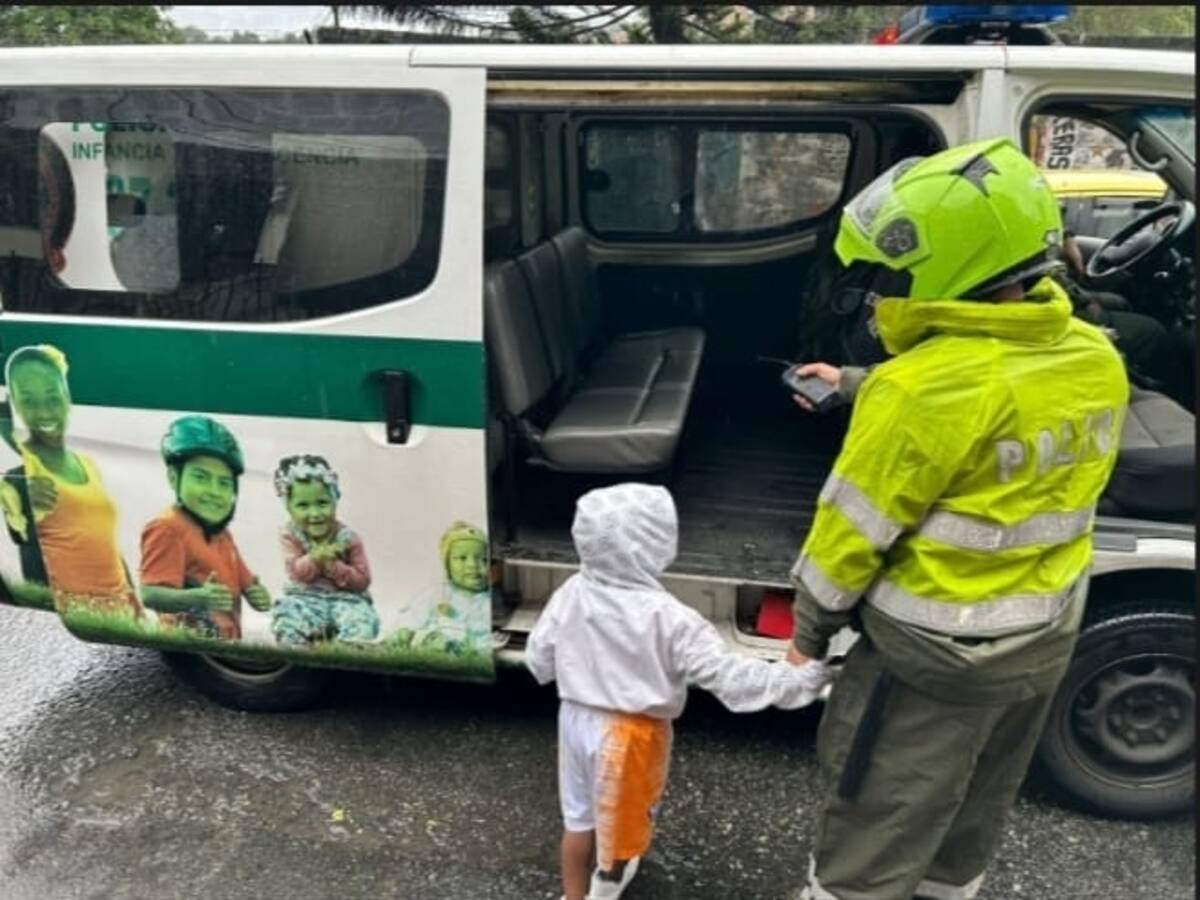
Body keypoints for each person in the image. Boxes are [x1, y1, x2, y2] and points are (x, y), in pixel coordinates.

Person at [785, 138, 1128, 900]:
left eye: (897, 272)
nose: (885, 288)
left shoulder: (915, 394)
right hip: (1041, 641)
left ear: (951, 265)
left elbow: (849, 538)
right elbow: (994, 389)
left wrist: (808, 636)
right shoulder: (1095, 356)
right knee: (971, 817)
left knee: (873, 822)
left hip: (931, 659)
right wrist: (856, 384)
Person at [525, 483, 833, 900]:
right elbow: (728, 676)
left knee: (578, 821)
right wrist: (801, 679)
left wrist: (558, 671)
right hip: (631, 734)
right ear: (654, 545)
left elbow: (539, 654)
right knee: (622, 821)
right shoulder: (671, 618)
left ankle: (573, 896)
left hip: (574, 719)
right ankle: (607, 884)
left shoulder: (573, 591)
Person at [1, 344, 143, 617]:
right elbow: (29, 555)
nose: (43, 412)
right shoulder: (23, 479)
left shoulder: (87, 464)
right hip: (84, 612)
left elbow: (106, 543)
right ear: (15, 406)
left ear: (68, 399)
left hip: (123, 611)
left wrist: (135, 606)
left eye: (53, 398)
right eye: (28, 401)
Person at [139, 414, 271, 639]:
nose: (214, 491)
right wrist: (198, 598)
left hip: (224, 641)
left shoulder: (221, 532)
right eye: (201, 477)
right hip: (189, 641)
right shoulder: (167, 528)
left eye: (224, 483)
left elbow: (244, 579)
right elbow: (149, 594)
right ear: (173, 477)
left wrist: (255, 592)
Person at [270, 454, 379, 645]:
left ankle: (350, 651)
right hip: (306, 598)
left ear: (334, 499)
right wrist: (315, 557)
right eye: (303, 505)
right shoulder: (290, 535)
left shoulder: (348, 538)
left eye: (322, 503)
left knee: (361, 620)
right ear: (289, 507)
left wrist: (335, 566)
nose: (315, 513)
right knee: (287, 613)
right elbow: (295, 573)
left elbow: (363, 581)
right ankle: (296, 649)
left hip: (346, 601)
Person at [414, 521, 493, 655]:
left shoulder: (489, 602)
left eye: (484, 559)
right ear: (447, 565)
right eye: (462, 558)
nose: (472, 565)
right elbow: (409, 622)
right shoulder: (435, 595)